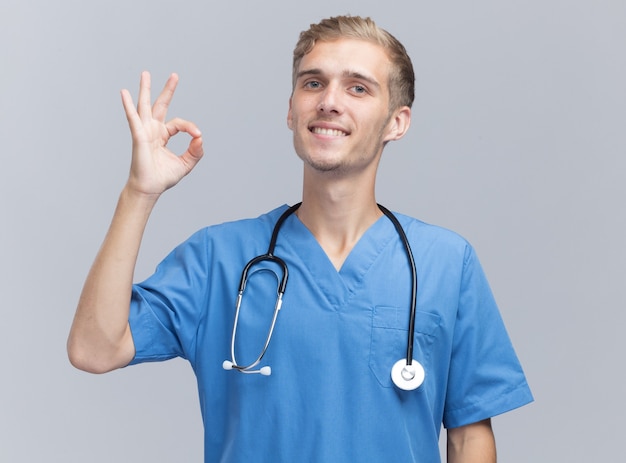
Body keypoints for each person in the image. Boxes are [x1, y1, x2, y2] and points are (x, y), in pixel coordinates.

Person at [68, 15, 532, 463]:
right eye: (313, 83)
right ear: (291, 111)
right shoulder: (219, 258)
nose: (329, 101)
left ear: (397, 122)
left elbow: (469, 439)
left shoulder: (446, 262)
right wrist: (139, 192)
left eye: (358, 87)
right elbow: (94, 349)